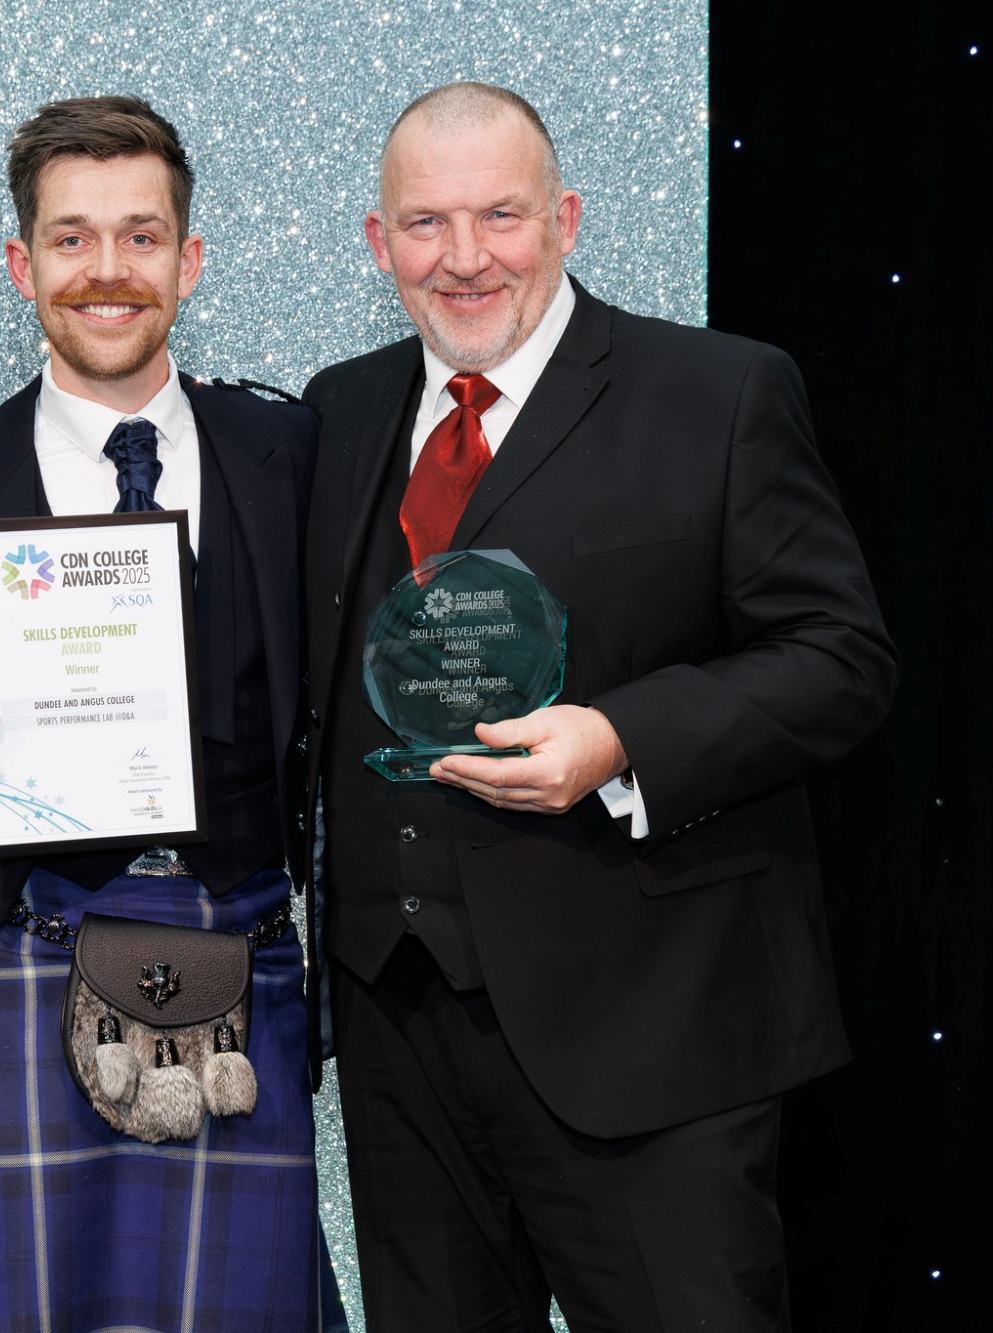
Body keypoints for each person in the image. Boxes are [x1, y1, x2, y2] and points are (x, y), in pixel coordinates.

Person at [301, 83, 896, 1330]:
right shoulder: (339, 412)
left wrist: (623, 737)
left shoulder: (717, 392)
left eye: (499, 216)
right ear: (376, 243)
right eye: (424, 224)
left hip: (653, 1032)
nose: (463, 259)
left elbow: (841, 658)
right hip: (395, 1021)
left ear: (563, 219)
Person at [0, 96, 338, 1329]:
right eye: (72, 240)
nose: (107, 272)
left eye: (140, 237)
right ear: (22, 265)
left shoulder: (293, 453)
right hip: (20, 936)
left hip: (242, 936)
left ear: (188, 260)